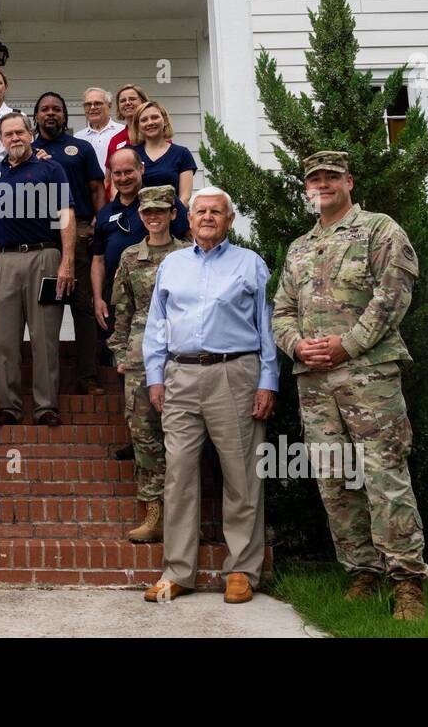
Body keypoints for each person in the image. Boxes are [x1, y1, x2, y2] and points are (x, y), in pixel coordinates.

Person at [271, 150, 428, 620]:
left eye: (331, 177)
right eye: (314, 178)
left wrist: (350, 344)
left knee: (384, 474)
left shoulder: (380, 230)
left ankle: (406, 581)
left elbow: (393, 294)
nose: (323, 184)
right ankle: (362, 571)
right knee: (333, 478)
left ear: (349, 181)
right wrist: (297, 346)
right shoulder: (299, 246)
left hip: (369, 375)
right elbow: (280, 310)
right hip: (315, 383)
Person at [141, 187, 277, 605]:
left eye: (216, 212)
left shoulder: (250, 264)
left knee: (241, 475)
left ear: (230, 220)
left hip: (235, 374)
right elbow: (156, 324)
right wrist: (155, 375)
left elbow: (267, 327)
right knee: (179, 474)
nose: (207, 217)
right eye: (200, 210)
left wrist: (267, 380)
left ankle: (241, 570)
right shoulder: (172, 266)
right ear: (189, 216)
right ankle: (178, 571)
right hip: (180, 376)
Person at [107, 185, 188, 543]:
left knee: (184, 432)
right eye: (147, 212)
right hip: (141, 351)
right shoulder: (129, 257)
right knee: (143, 432)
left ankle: (184, 511)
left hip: (184, 349)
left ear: (172, 214)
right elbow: (121, 310)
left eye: (160, 211)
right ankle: (153, 509)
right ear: (140, 216)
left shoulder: (188, 254)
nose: (154, 217)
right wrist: (120, 353)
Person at [0, 112, 75, 426]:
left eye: (19, 133)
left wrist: (67, 261)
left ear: (30, 134)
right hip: (5, 262)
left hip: (45, 257)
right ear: (1, 139)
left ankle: (45, 406)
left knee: (45, 336)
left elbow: (65, 214)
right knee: (3, 338)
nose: (14, 138)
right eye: (8, 134)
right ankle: (8, 406)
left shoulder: (50, 168)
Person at [31, 91, 105, 396]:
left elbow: (97, 188)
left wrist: (98, 223)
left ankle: (87, 377)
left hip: (79, 232)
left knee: (82, 305)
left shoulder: (81, 148)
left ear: (65, 115)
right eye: (45, 109)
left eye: (57, 110)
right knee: (45, 309)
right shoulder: (28, 149)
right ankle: (48, 380)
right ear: (35, 117)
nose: (51, 114)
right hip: (41, 237)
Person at [91, 147, 189, 338]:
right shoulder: (105, 213)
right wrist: (98, 298)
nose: (123, 178)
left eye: (128, 171)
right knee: (120, 353)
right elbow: (98, 260)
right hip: (119, 297)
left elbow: (189, 241)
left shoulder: (161, 204)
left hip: (161, 293)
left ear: (141, 169)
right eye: (117, 173)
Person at [132, 100, 196, 207]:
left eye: (154, 117)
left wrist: (172, 216)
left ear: (165, 120)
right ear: (138, 126)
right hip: (137, 218)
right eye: (144, 120)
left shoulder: (182, 153)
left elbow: (185, 197)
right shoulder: (132, 154)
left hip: (173, 217)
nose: (150, 122)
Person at [104, 84, 149, 196]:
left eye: (132, 99)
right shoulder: (116, 140)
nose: (127, 103)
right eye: (123, 101)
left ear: (143, 102)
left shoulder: (155, 134)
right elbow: (108, 179)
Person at [75, 86, 123, 177]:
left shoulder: (122, 131)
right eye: (88, 104)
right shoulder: (77, 137)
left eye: (98, 103)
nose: (92, 107)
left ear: (109, 105)